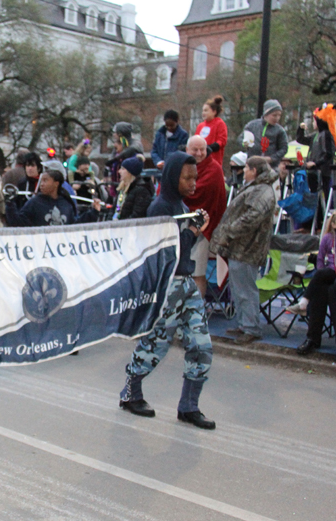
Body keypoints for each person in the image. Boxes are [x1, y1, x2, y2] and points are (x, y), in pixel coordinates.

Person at [118, 152, 215, 430]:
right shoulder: (160, 207)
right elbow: (164, 253)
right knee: (157, 343)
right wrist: (193, 232)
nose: (193, 183)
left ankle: (189, 406)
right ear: (173, 176)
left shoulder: (180, 204)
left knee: (202, 345)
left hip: (185, 283)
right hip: (168, 284)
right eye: (187, 177)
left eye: (195, 177)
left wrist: (194, 227)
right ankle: (130, 393)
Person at [210, 156, 278, 345]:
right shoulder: (256, 187)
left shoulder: (262, 191)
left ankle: (251, 328)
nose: (244, 171)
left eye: (247, 168)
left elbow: (252, 216)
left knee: (245, 289)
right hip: (240, 247)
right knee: (238, 288)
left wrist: (230, 231)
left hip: (248, 248)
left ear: (254, 171)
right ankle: (244, 323)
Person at [288, 208, 336, 362]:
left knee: (335, 290)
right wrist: (321, 271)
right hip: (332, 274)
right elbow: (320, 259)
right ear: (334, 224)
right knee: (320, 288)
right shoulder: (329, 238)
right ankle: (312, 338)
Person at [184, 135, 228, 297]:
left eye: (202, 149)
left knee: (197, 272)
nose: (199, 153)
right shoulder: (183, 165)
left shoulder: (214, 169)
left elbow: (205, 197)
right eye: (195, 149)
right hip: (181, 226)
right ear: (187, 150)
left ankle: (198, 311)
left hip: (203, 228)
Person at [6, 169, 100, 227]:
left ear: (56, 183)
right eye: (41, 181)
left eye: (45, 181)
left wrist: (93, 212)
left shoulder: (66, 203)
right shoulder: (34, 203)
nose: (41, 184)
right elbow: (18, 223)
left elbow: (74, 225)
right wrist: (10, 204)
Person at [296, 104, 336, 198]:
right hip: (313, 172)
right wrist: (300, 129)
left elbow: (328, 154)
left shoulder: (326, 135)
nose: (313, 123)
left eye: (314, 120)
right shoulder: (316, 135)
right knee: (313, 195)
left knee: (320, 196)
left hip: (321, 172)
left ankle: (321, 211)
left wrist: (316, 163)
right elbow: (301, 139)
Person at [242, 99, 289, 166]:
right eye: (274, 115)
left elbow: (284, 148)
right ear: (266, 114)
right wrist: (244, 143)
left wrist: (271, 158)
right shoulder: (251, 126)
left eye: (279, 115)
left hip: (271, 167)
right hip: (252, 165)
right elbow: (240, 139)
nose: (277, 118)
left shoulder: (280, 130)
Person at [115, 156, 152, 220]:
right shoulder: (122, 188)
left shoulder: (141, 191)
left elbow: (137, 215)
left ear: (130, 172)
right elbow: (114, 209)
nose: (119, 171)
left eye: (123, 169)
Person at [195, 96, 228, 163]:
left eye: (206, 110)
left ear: (214, 112)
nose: (203, 113)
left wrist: (211, 147)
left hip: (213, 160)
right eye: (203, 110)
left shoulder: (220, 123)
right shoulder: (200, 126)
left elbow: (222, 141)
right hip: (200, 161)